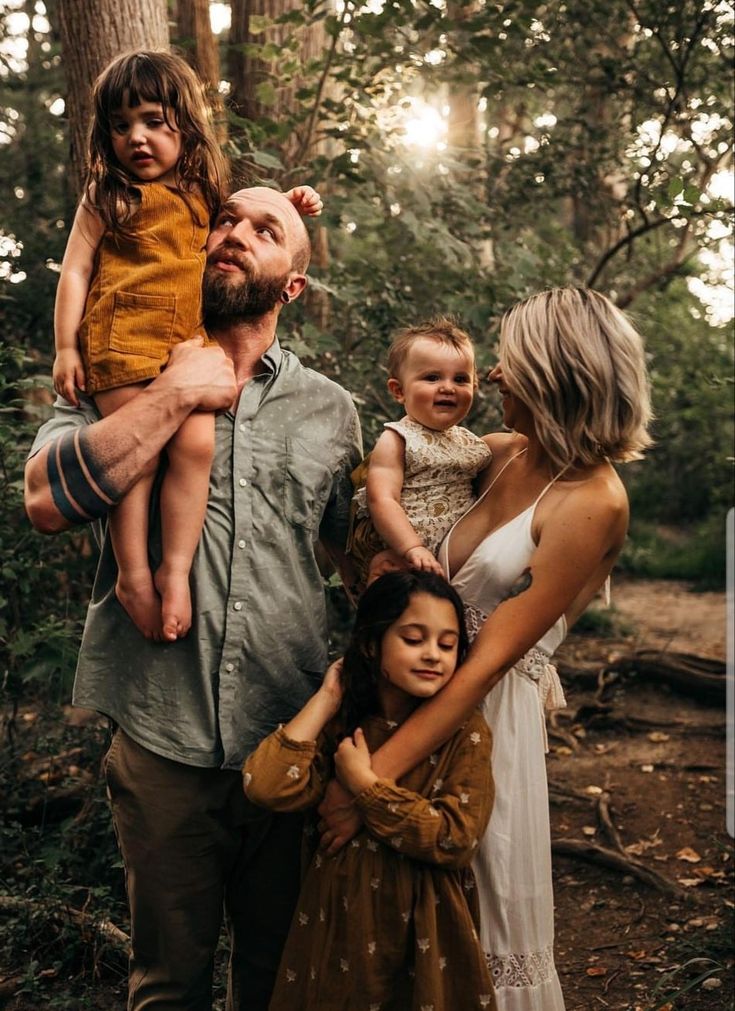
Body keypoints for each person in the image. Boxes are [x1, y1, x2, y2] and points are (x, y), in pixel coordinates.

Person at [25, 185, 361, 1011]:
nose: (235, 235)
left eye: (264, 228)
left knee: (276, 981)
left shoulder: (332, 412)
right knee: (166, 988)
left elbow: (359, 571)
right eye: (225, 220)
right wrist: (175, 393)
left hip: (289, 739)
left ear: (292, 287)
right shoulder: (119, 367)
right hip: (162, 737)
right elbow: (44, 500)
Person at [319, 286, 653, 1011]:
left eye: (510, 361)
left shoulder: (592, 501)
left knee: (479, 911)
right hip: (405, 693)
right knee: (399, 920)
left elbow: (487, 663)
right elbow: (391, 521)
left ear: (553, 376)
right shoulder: (494, 452)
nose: (493, 375)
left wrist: (365, 784)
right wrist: (372, 563)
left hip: (485, 722)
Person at [51, 49, 321, 644]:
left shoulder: (204, 193)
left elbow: (256, 215)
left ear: (185, 124)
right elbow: (74, 272)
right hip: (120, 342)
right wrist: (66, 348)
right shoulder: (108, 195)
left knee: (195, 445)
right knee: (138, 455)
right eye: (120, 127)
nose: (135, 138)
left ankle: (175, 570)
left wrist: (292, 203)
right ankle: (133, 576)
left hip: (182, 346)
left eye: (151, 120)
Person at [243, 570, 496, 1011]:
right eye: (414, 639)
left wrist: (365, 786)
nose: (433, 655)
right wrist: (326, 699)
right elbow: (265, 786)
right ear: (370, 643)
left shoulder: (464, 731)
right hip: (337, 919)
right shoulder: (344, 725)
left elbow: (457, 838)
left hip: (424, 928)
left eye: (447, 644)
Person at [349, 317, 492, 581]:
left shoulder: (470, 442)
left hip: (459, 558)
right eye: (432, 377)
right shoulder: (398, 439)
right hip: (409, 555)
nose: (448, 387)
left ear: (474, 387)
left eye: (460, 379)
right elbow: (381, 498)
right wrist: (411, 547)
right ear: (398, 391)